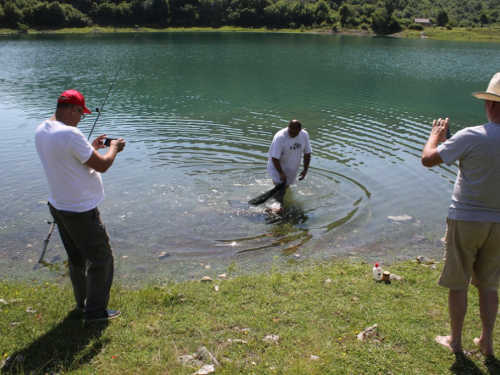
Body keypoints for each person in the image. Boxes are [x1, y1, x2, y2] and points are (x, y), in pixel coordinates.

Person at [421, 72, 500, 357]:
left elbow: (429, 159)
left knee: (459, 283)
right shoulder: (471, 138)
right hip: (499, 224)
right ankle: (487, 342)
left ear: (490, 104)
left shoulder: (472, 135)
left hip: (466, 220)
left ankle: (455, 341)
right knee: (489, 285)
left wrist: (435, 137)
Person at [35, 89, 126, 322]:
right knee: (101, 258)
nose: (80, 119)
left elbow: (70, 160)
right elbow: (103, 165)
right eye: (81, 115)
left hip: (59, 206)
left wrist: (91, 146)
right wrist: (113, 147)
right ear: (74, 110)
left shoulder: (43, 129)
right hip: (80, 210)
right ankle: (95, 312)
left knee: (77, 259)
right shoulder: (70, 134)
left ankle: (83, 304)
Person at [267, 120, 312, 208]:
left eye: (295, 133)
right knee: (281, 191)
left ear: (300, 130)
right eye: (290, 132)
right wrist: (281, 173)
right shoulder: (280, 137)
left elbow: (307, 153)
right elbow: (274, 158)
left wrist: (305, 169)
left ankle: (278, 204)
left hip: (291, 168)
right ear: (288, 127)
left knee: (285, 188)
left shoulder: (304, 135)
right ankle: (275, 207)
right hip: (277, 167)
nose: (292, 135)